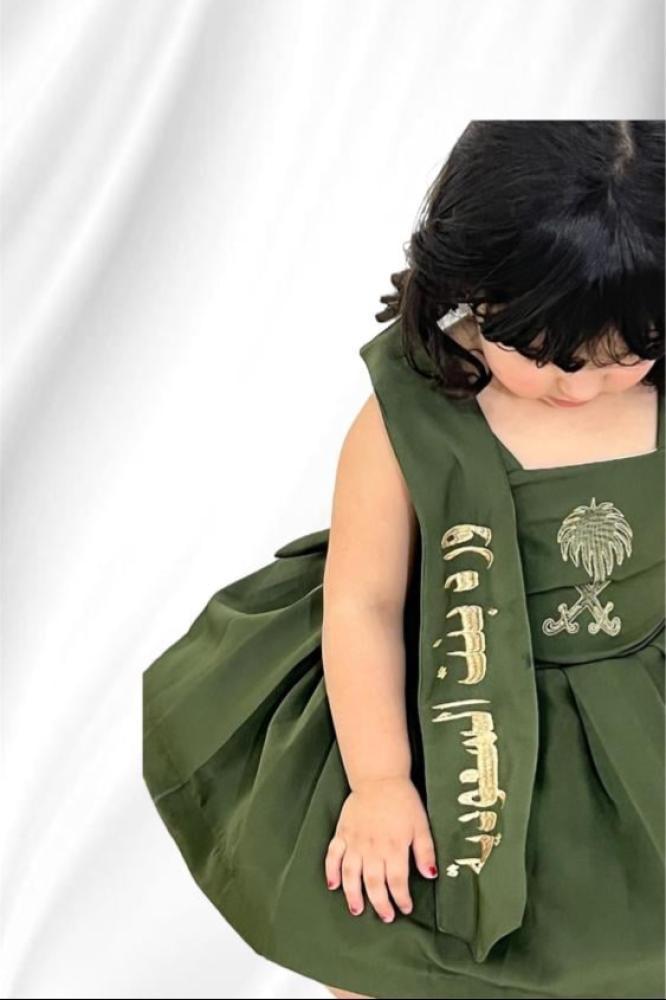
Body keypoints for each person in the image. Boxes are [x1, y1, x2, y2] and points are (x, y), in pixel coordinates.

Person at [142, 120, 665, 999]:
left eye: (624, 357)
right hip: (442, 698)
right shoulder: (412, 414)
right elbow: (365, 603)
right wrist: (381, 781)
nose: (578, 386)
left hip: (631, 721)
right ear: (471, 288)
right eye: (541, 353)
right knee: (387, 935)